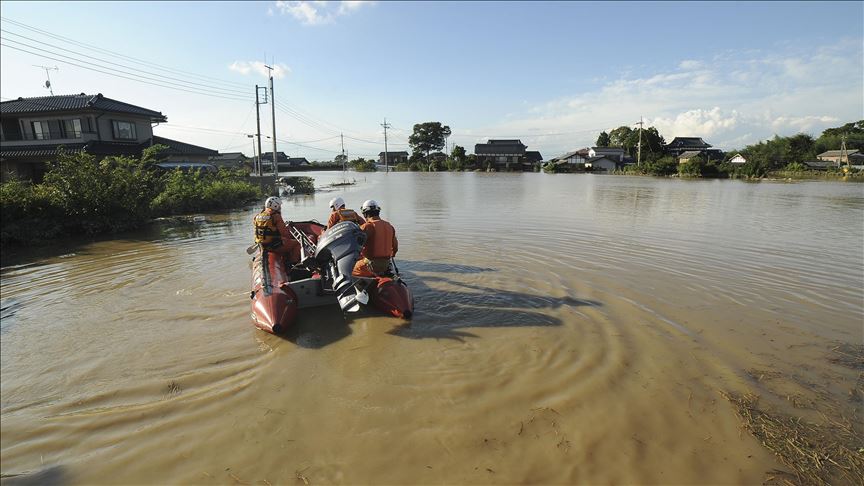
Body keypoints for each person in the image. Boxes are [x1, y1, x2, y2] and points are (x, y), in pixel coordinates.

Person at [352, 199, 398, 277]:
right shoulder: (389, 226)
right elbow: (395, 248)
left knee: (350, 270)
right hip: (386, 264)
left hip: (370, 265)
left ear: (365, 214)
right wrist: (392, 255)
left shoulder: (366, 227)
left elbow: (354, 245)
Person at [253, 196, 301, 264]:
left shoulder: (257, 216)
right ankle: (293, 262)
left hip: (262, 245)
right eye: (279, 206)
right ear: (275, 206)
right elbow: (284, 233)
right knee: (298, 243)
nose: (280, 208)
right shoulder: (276, 216)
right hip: (274, 246)